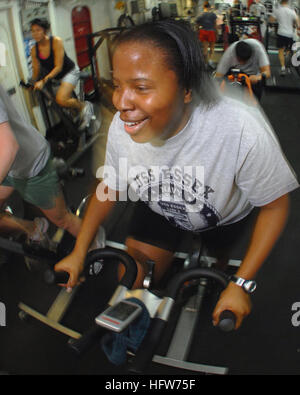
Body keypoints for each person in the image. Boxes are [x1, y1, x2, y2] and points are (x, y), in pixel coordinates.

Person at [55, 19, 298, 330]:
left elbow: (275, 206)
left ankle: (221, 268)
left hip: (222, 214)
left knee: (218, 264)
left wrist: (240, 283)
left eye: (140, 88)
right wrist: (79, 251)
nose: (120, 102)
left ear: (186, 89)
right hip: (159, 206)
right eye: (117, 85)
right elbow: (109, 187)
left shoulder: (239, 128)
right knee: (132, 277)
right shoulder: (123, 125)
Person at [0, 81, 82, 248]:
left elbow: (9, 146)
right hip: (8, 168)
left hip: (31, 164)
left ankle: (97, 244)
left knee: (63, 220)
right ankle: (33, 228)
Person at [30, 18, 93, 130]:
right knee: (58, 102)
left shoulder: (55, 41)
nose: (35, 33)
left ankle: (85, 106)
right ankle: (76, 114)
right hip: (56, 77)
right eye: (33, 31)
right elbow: (36, 69)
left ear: (45, 30)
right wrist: (33, 83)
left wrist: (43, 81)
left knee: (61, 99)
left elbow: (58, 67)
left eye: (38, 30)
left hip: (70, 71)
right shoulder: (34, 50)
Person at [270, 0, 300, 76]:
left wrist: (278, 19)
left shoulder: (277, 10)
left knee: (280, 50)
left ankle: (283, 67)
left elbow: (271, 20)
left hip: (281, 33)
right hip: (290, 34)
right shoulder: (292, 11)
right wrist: (295, 25)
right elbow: (298, 23)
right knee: (288, 49)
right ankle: (286, 56)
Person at [196, 2, 217, 67]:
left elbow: (197, 24)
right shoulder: (213, 15)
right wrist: (217, 33)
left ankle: (205, 63)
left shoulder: (201, 15)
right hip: (211, 31)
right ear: (209, 7)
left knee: (205, 48)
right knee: (212, 47)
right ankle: (210, 60)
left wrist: (198, 30)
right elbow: (215, 24)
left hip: (203, 31)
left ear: (204, 7)